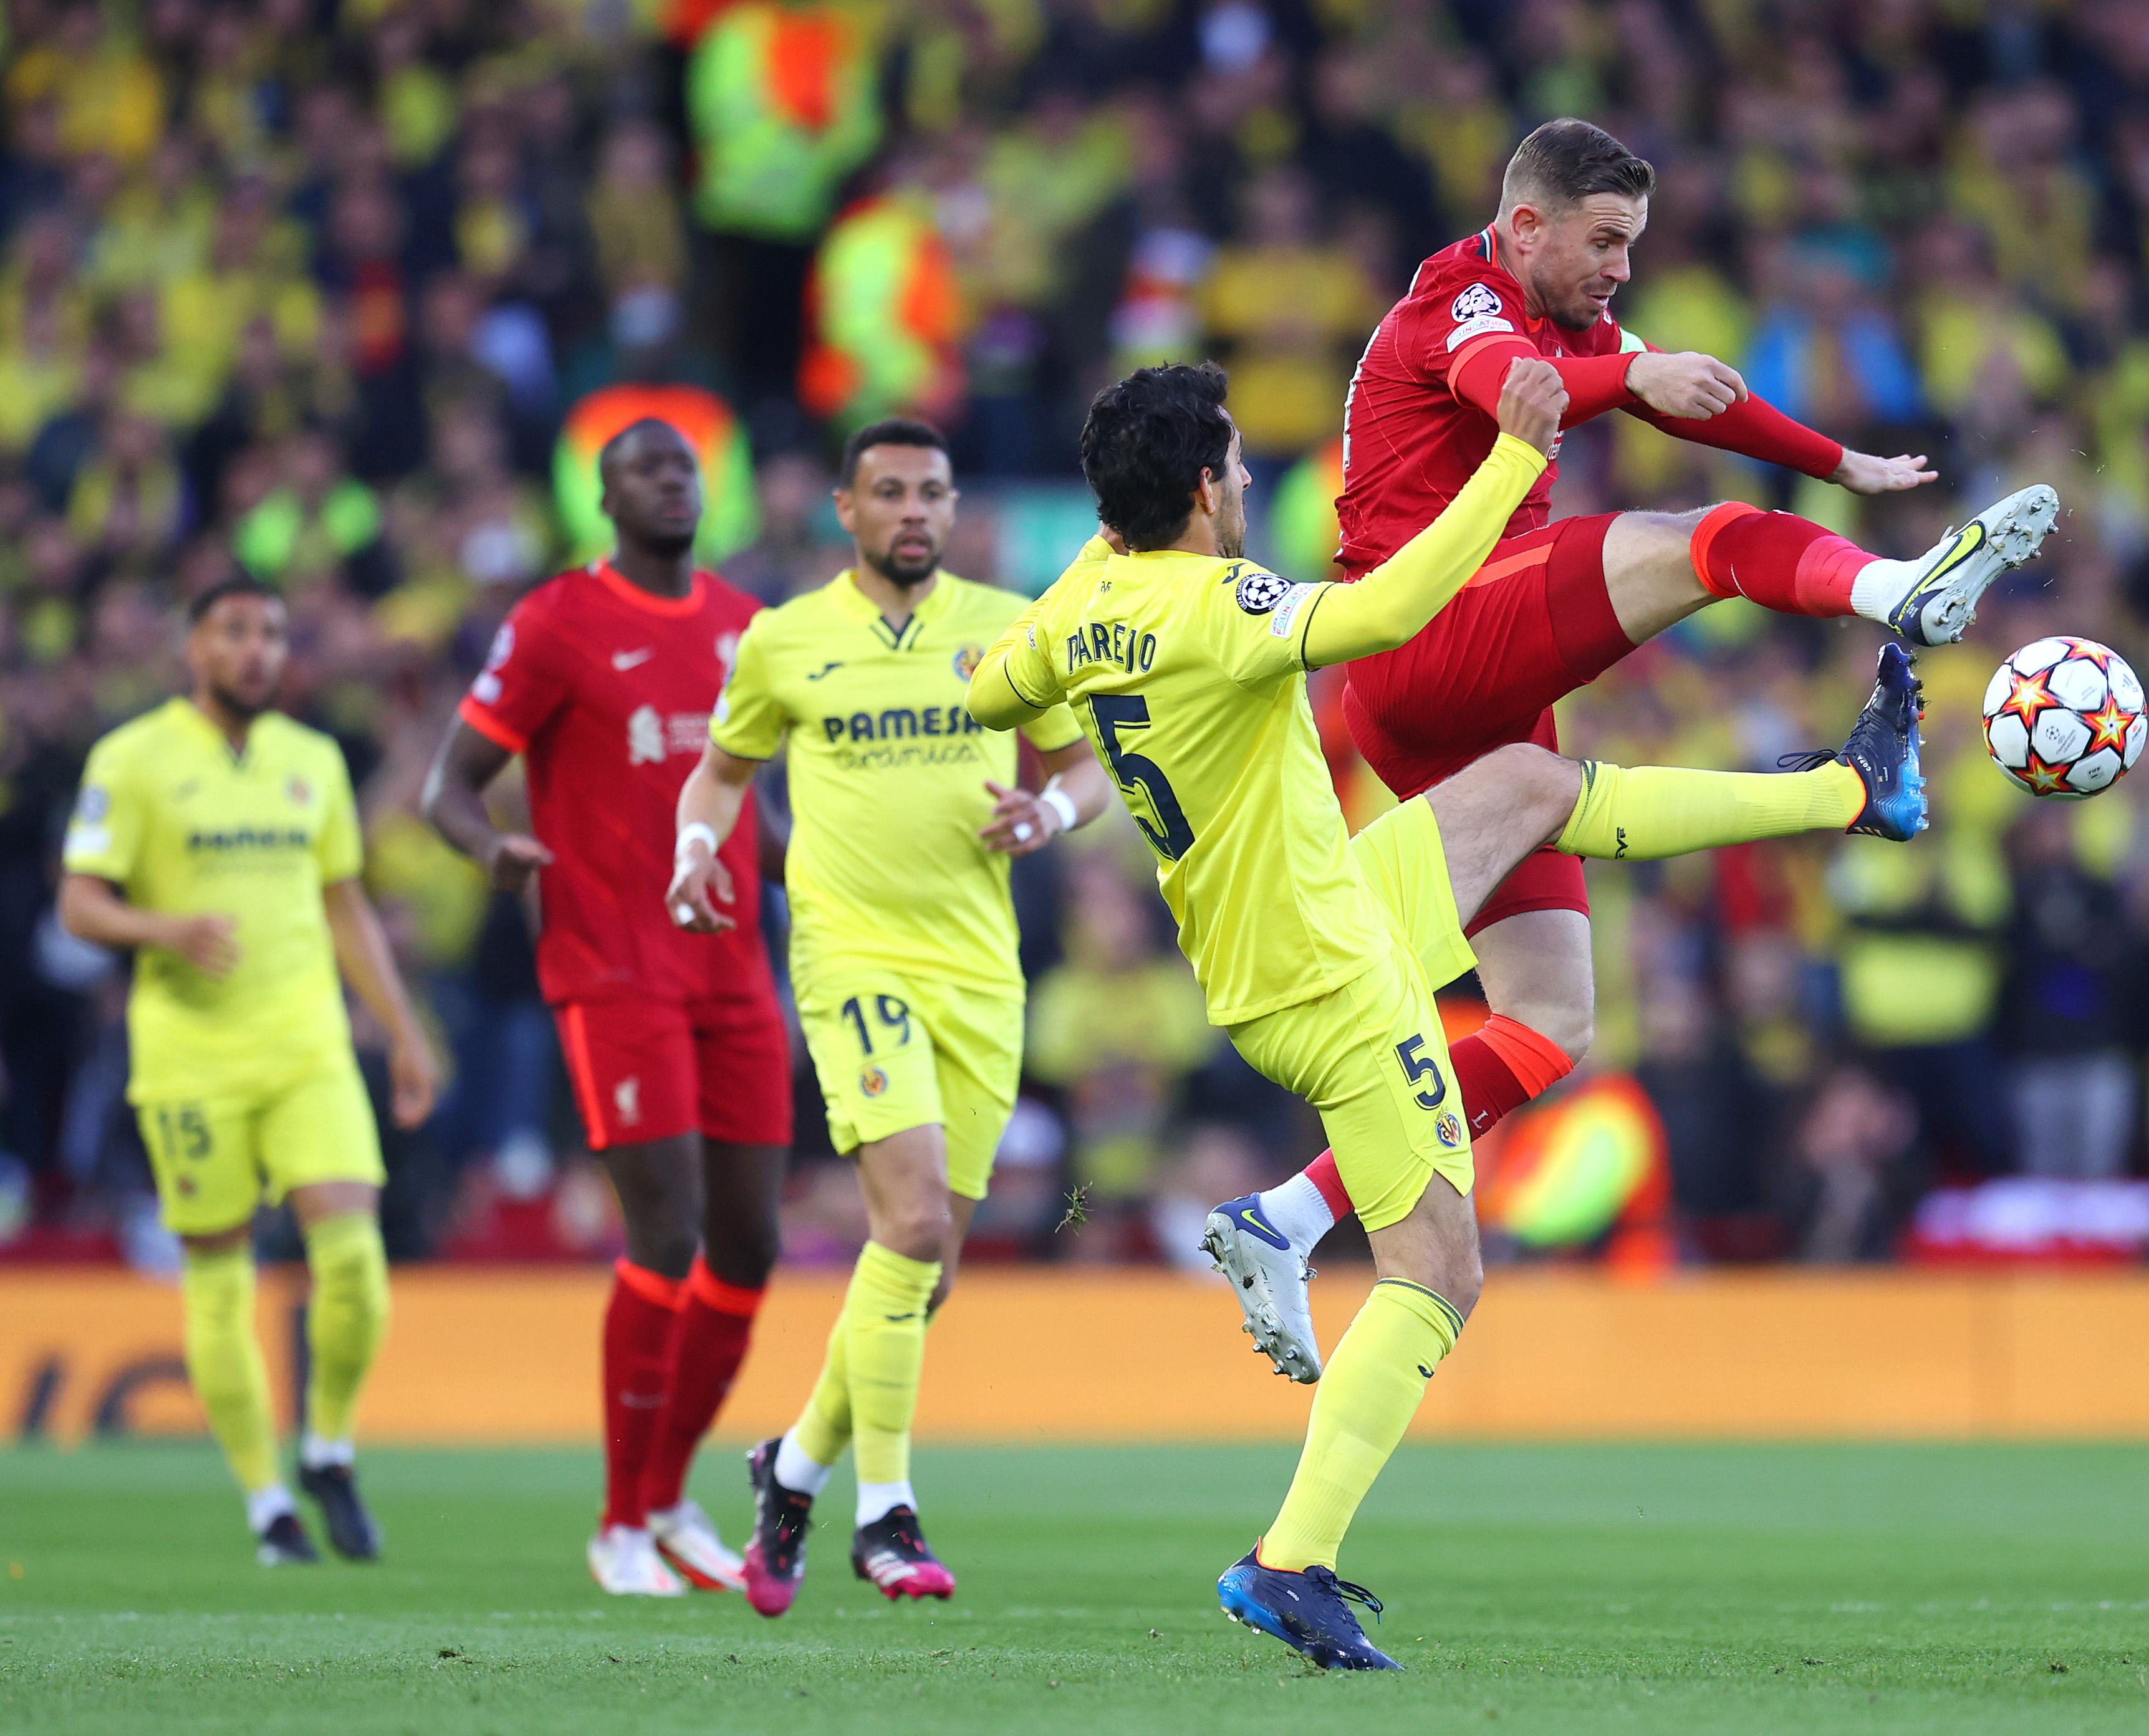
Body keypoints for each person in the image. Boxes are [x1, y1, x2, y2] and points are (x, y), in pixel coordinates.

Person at [966, 358, 1929, 1667]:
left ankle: (1846, 793)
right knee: (1439, 1273)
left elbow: (989, 696)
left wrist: (1093, 594)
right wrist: (1514, 460)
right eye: (1237, 466)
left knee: (1526, 782)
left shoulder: (1085, 599)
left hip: (1297, 922)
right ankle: (1287, 1561)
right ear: (1202, 489)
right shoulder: (1216, 603)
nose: (1247, 481)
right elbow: (1389, 610)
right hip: (1332, 980)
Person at [1206, 118, 2057, 1378]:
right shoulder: (1455, 302)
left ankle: (1284, 1216)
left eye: (1632, 246)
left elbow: (1701, 397)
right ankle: (1894, 599)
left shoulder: (1573, 318)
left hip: (1483, 691)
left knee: (1548, 1022)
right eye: (1602, 243)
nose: (1618, 270)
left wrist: (1846, 463)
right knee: (1698, 539)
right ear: (1526, 224)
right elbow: (1526, 399)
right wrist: (1632, 383)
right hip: (1422, 637)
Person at [668, 418, 1115, 1613]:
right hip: (851, 957)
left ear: (952, 507)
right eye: (890, 492)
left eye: (931, 491)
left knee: (930, 1265)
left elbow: (1082, 766)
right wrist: (696, 849)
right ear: (846, 511)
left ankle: (792, 1464)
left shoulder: (1005, 627)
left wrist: (1050, 820)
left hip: (982, 972)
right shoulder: (785, 640)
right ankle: (885, 1513)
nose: (913, 510)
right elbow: (720, 767)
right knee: (911, 1222)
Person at [421, 420, 790, 1597]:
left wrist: (829, 872)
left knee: (751, 1241)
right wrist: (490, 854)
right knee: (666, 1231)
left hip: (735, 970)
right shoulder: (554, 624)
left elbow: (752, 808)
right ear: (604, 497)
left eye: (684, 466)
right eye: (646, 468)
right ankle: (621, 1519)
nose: (672, 482)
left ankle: (671, 1495)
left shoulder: (745, 625)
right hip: (614, 969)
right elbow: (447, 786)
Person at [59, 575, 438, 1566]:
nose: (257, 650)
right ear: (196, 647)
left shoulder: (310, 760)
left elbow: (347, 903)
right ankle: (268, 1502)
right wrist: (165, 926)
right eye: (234, 632)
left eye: (271, 633)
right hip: (192, 1059)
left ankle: (328, 1445)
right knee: (222, 1275)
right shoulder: (132, 759)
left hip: (308, 1047)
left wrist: (400, 1026)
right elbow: (80, 903)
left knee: (355, 1259)